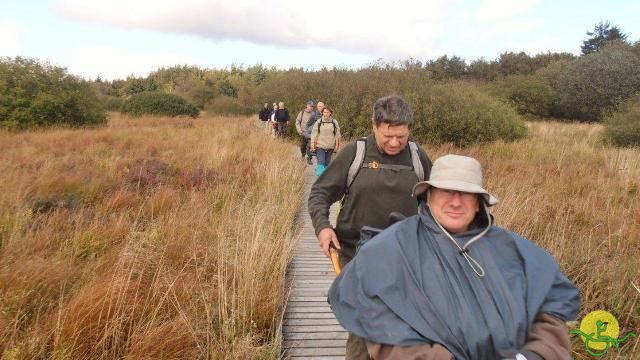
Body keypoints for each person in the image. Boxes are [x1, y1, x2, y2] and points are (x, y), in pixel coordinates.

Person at [328, 154, 581, 360]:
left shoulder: (514, 252)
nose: (455, 202)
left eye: (465, 193)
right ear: (428, 195)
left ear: (479, 202)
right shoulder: (391, 249)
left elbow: (549, 313)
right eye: (446, 191)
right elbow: (380, 323)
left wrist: (533, 356)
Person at [308, 95, 433, 359]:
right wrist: (323, 227)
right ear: (374, 125)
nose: (395, 142)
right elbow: (320, 193)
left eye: (401, 135)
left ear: (409, 128)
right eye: (388, 135)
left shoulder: (417, 156)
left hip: (405, 260)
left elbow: (436, 202)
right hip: (357, 257)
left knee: (406, 329)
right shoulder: (356, 153)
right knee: (363, 330)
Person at [310, 105, 341, 176]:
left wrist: (337, 147)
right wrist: (312, 146)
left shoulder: (334, 122)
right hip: (320, 146)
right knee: (321, 162)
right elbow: (314, 134)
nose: (326, 113)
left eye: (327, 112)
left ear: (330, 113)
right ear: (322, 113)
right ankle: (320, 179)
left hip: (330, 147)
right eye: (324, 112)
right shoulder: (318, 122)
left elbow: (338, 135)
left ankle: (326, 180)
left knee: (327, 164)